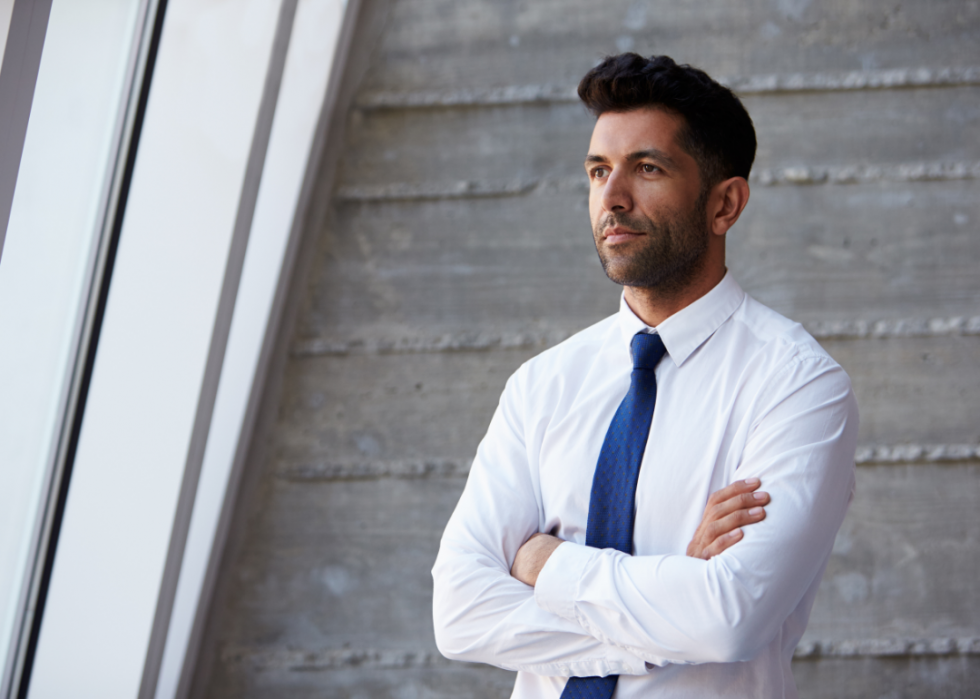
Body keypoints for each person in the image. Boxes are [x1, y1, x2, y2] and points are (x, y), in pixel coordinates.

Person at [431, 53, 859, 698]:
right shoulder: (542, 385)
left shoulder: (797, 385)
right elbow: (460, 613)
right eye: (599, 171)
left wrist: (545, 563)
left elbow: (727, 619)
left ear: (725, 204)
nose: (614, 197)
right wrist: (666, 607)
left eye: (647, 169)